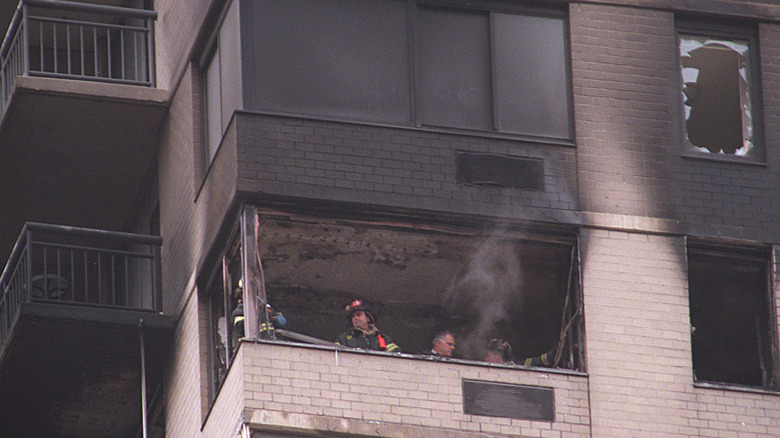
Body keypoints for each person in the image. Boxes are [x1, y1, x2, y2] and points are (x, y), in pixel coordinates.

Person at [335, 299, 400, 352]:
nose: (355, 318)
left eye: (358, 315)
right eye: (353, 316)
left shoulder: (382, 338)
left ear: (368, 318)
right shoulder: (343, 339)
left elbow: (395, 357)